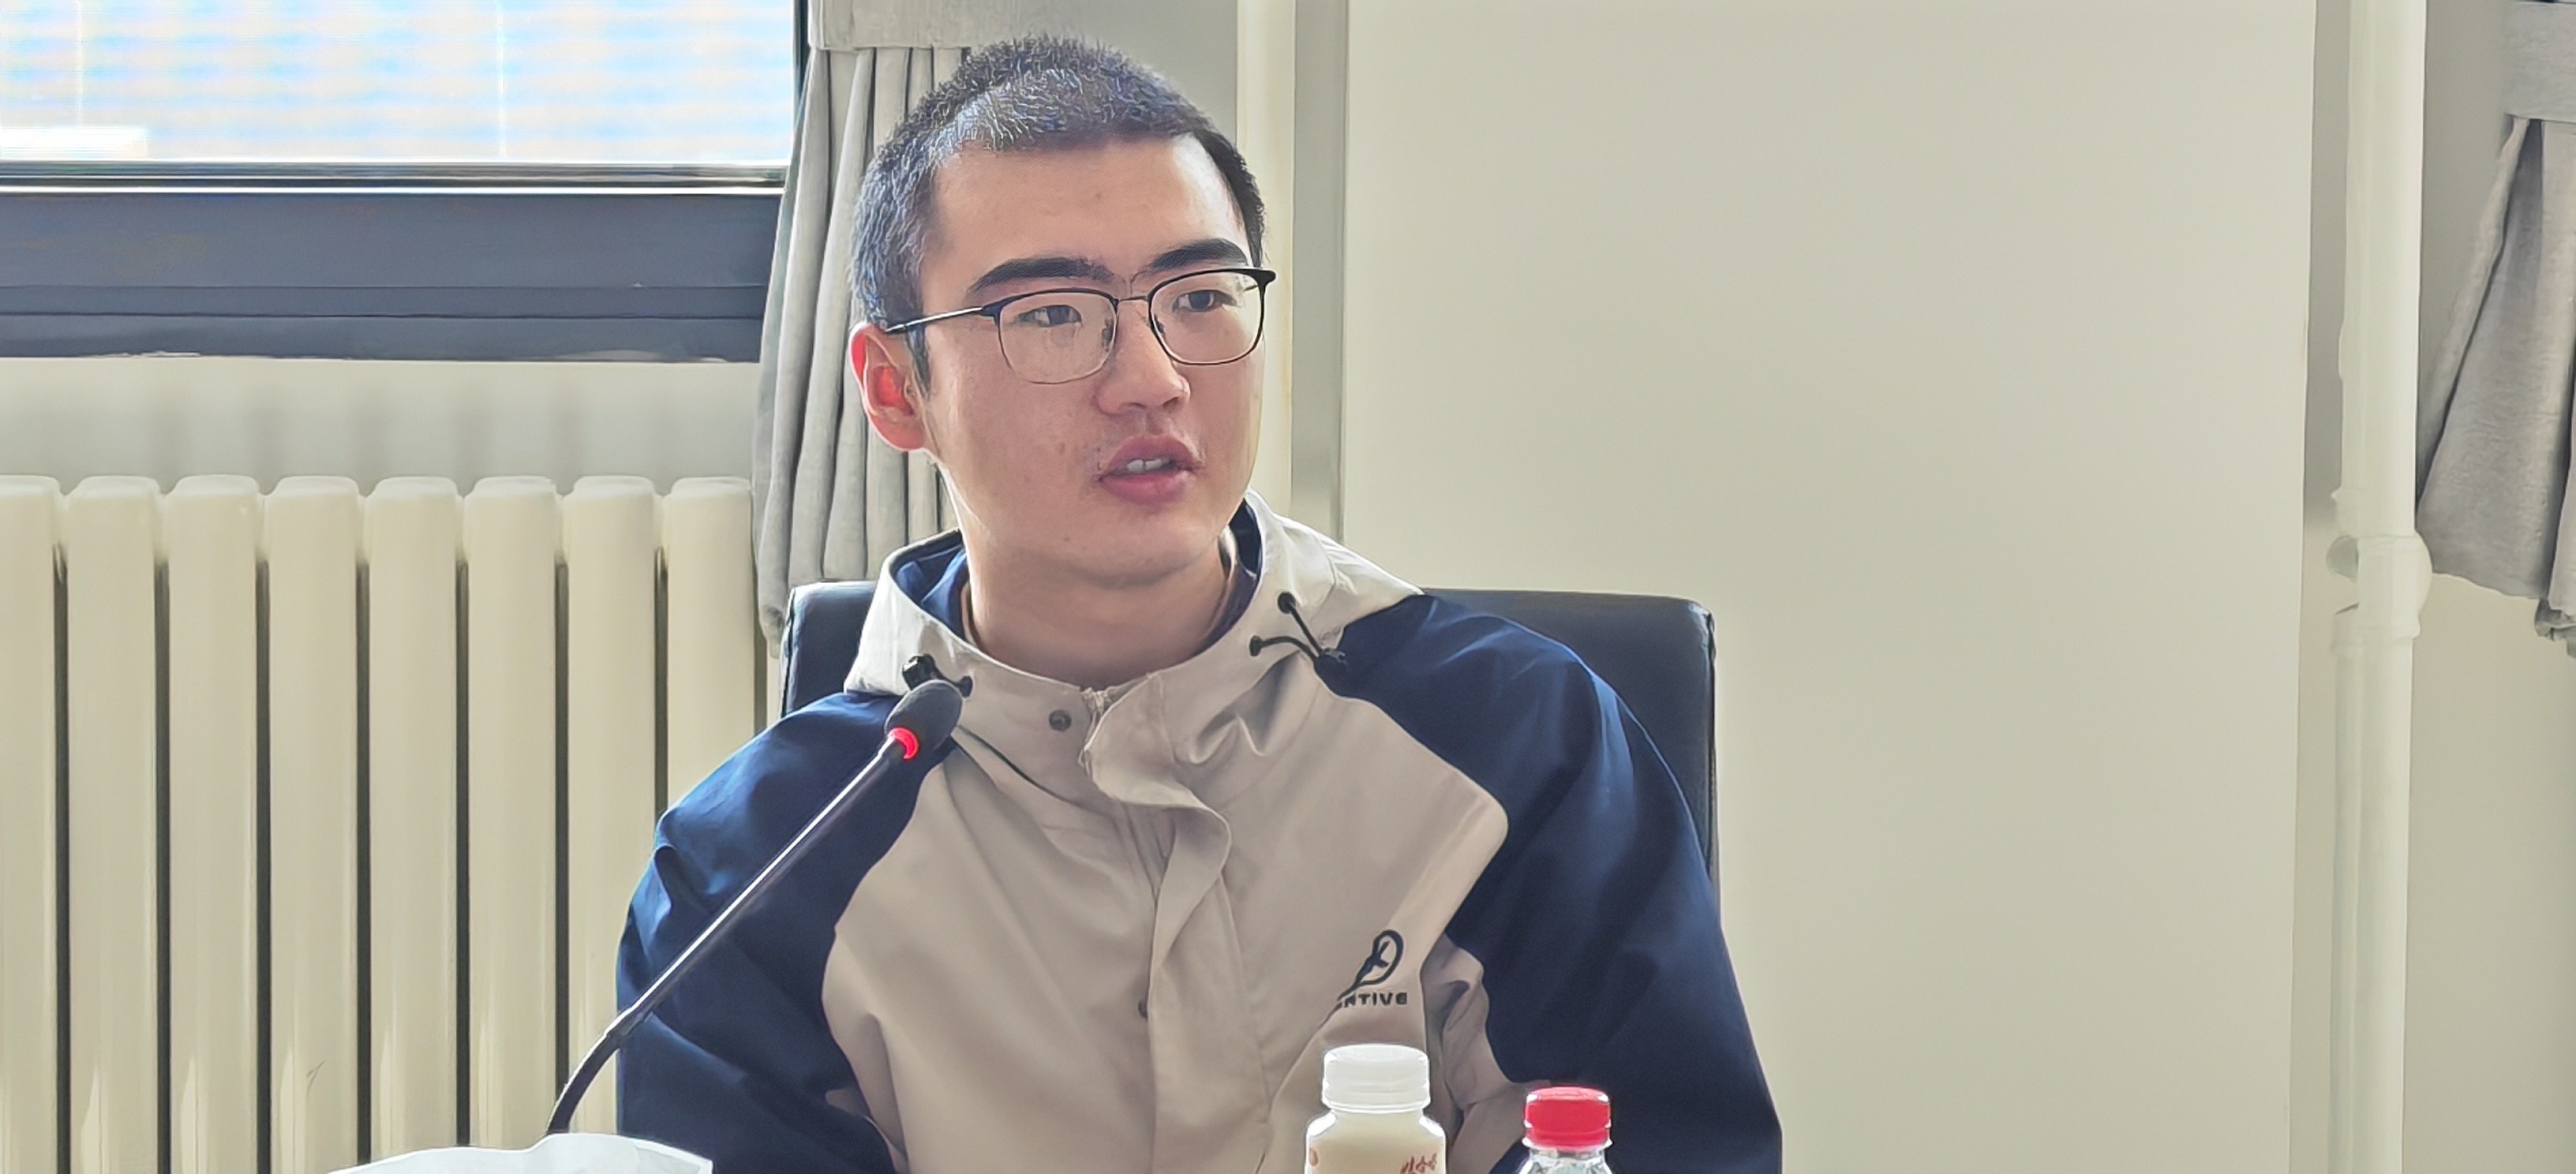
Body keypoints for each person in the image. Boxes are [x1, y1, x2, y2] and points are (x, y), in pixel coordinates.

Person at [619, 36, 1779, 1174]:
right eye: (1052, 314)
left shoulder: (1523, 747)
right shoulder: (751, 875)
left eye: (1203, 296)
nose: (1154, 379)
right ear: (895, 389)